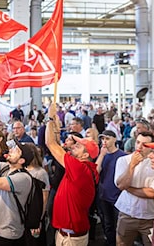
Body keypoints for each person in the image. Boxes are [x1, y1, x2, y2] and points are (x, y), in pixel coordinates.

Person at [45, 102, 99, 246]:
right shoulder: (82, 166)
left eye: (79, 145)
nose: (74, 146)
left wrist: (50, 118)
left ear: (86, 155)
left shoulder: (80, 169)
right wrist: (55, 127)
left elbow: (50, 144)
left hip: (71, 238)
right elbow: (56, 145)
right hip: (67, 233)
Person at [114, 132, 154, 246]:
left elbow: (152, 193)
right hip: (127, 213)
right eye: (138, 142)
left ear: (152, 146)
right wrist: (131, 165)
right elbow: (120, 185)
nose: (139, 147)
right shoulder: (123, 160)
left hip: (150, 217)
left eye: (145, 144)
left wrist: (128, 188)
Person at [95, 130, 126, 246]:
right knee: (107, 224)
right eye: (102, 139)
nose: (104, 142)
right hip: (104, 195)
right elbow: (96, 172)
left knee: (119, 225)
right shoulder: (102, 156)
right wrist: (101, 155)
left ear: (114, 139)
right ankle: (110, 242)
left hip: (118, 196)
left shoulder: (123, 156)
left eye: (107, 139)